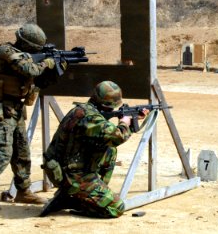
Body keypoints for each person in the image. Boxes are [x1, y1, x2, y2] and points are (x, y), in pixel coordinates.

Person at [0, 22, 58, 212]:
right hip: (1, 108)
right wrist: (47, 63)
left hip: (14, 108)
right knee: (3, 151)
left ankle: (23, 191)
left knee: (21, 151)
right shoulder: (5, 51)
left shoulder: (20, 54)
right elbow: (30, 70)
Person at [40, 80, 147, 218]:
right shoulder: (90, 117)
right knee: (116, 208)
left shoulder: (83, 110)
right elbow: (117, 136)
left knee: (109, 150)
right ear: (105, 104)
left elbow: (109, 138)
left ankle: (85, 194)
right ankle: (75, 200)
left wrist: (132, 122)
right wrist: (124, 122)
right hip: (71, 175)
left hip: (66, 168)